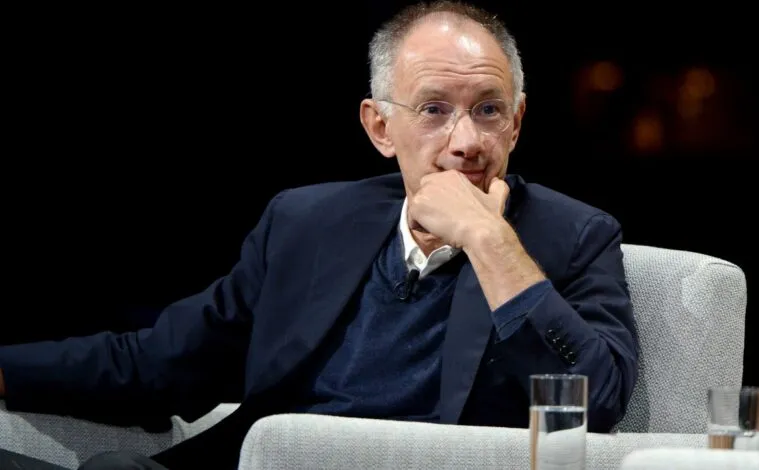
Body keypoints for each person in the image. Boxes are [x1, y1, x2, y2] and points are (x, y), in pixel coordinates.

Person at [0, 1, 639, 469]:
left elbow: (594, 406)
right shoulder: (308, 222)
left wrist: (488, 241)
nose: (466, 143)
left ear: (518, 122)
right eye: (434, 110)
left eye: (488, 110)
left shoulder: (573, 237)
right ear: (380, 128)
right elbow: (163, 362)